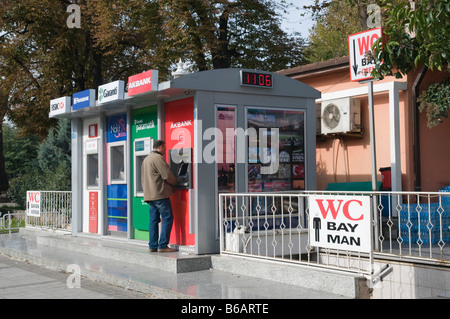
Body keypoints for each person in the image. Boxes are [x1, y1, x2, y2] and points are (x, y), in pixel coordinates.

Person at [141, 140, 177, 253]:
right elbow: (167, 175)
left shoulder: (146, 159)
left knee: (153, 221)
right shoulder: (158, 158)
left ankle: (152, 246)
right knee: (167, 218)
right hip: (160, 194)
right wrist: (176, 181)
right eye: (165, 148)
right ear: (161, 147)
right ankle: (162, 245)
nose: (165, 151)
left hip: (149, 195)